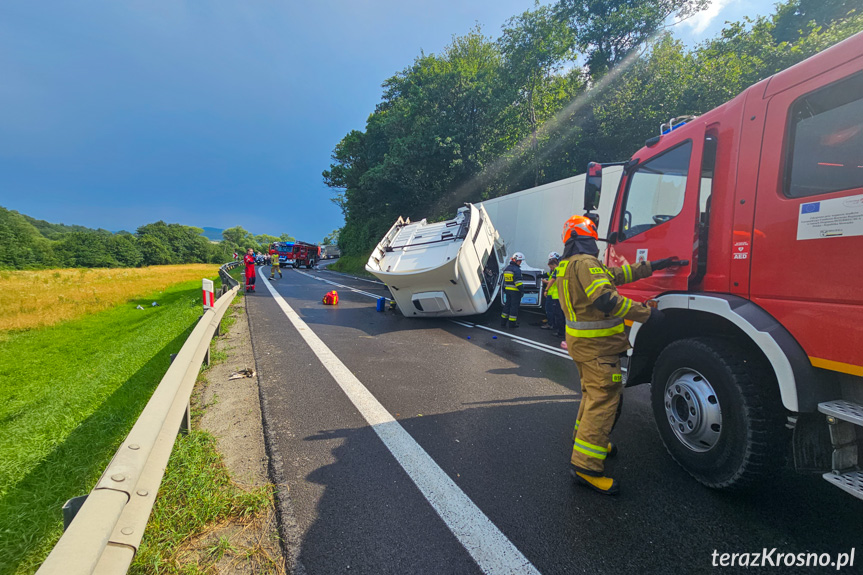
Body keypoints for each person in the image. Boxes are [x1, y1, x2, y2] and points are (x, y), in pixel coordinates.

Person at [557, 215, 678, 495]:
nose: (596, 243)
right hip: (597, 348)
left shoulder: (568, 266)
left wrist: (653, 267)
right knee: (603, 399)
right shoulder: (585, 263)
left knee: (591, 395)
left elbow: (616, 276)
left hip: (584, 346)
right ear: (583, 238)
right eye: (592, 236)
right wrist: (648, 315)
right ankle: (586, 467)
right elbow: (606, 300)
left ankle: (588, 439)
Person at [541, 252, 564, 337]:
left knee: (555, 312)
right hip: (559, 294)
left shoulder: (557, 269)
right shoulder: (561, 268)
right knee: (559, 313)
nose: (551, 268)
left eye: (551, 267)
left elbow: (553, 280)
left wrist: (546, 287)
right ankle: (559, 328)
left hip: (555, 294)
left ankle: (557, 328)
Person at [500, 253, 525, 328]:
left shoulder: (507, 268)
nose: (520, 262)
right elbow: (518, 283)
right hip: (515, 291)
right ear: (516, 260)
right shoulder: (517, 270)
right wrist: (522, 291)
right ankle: (512, 324)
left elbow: (504, 280)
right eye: (519, 261)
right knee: (514, 307)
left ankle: (503, 322)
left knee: (507, 306)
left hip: (508, 290)